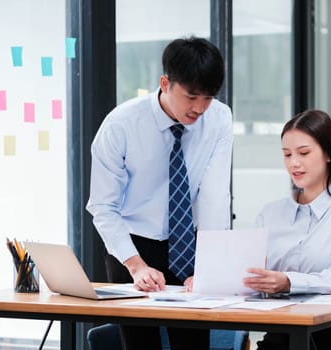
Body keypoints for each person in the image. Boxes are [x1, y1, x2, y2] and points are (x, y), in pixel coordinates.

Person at [86, 36, 233, 350]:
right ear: (165, 83)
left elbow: (214, 196)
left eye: (208, 97)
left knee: (193, 342)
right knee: (140, 343)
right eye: (192, 96)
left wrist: (209, 267)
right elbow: (103, 206)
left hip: (189, 242)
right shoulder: (121, 125)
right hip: (134, 242)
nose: (200, 108)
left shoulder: (219, 118)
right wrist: (136, 266)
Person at [243, 109, 331, 350]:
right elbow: (253, 275)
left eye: (304, 153)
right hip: (280, 334)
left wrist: (288, 282)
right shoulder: (270, 213)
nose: (294, 163)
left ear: (328, 153)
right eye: (287, 154)